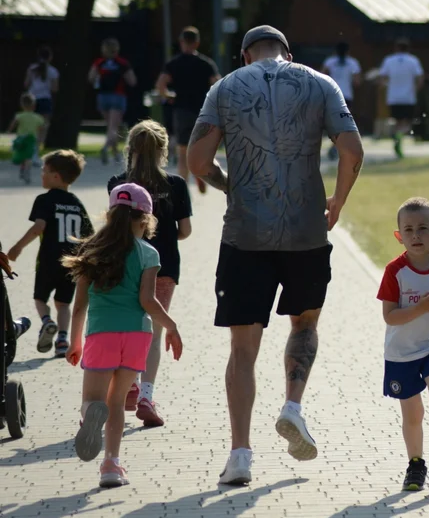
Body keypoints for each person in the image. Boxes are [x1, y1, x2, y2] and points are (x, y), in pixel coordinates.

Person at [186, 25, 365, 486]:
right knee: (304, 324)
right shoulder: (321, 83)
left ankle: (241, 454)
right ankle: (292, 406)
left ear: (245, 55)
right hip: (306, 231)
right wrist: (338, 201)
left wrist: (231, 185)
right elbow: (353, 150)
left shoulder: (225, 87)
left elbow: (197, 161)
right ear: (289, 50)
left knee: (242, 347)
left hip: (245, 234)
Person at [64, 183, 183, 488]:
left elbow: (79, 308)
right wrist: (171, 326)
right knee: (117, 402)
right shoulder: (148, 253)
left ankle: (92, 414)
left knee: (93, 400)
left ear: (111, 214)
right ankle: (111, 466)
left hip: (101, 334)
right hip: (137, 336)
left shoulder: (92, 250)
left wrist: (74, 342)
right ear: (146, 220)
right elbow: (147, 301)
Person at [107, 120, 193, 428]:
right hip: (164, 266)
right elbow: (185, 230)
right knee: (154, 332)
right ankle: (146, 394)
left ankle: (126, 386)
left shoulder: (118, 184)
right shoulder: (176, 185)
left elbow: (114, 226)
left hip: (125, 264)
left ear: (129, 149)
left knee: (126, 327)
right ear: (163, 151)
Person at [378, 197, 429, 491]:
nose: (416, 235)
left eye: (423, 228)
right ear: (399, 236)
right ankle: (416, 465)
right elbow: (389, 316)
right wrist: (419, 310)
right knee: (413, 413)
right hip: (401, 353)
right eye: (409, 230)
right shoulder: (395, 271)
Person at [6, 150, 93, 359]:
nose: (41, 175)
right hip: (71, 262)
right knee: (63, 303)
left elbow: (38, 227)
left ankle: (47, 322)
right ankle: (62, 340)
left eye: (44, 171)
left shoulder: (44, 200)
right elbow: (89, 236)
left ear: (55, 176)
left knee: (39, 298)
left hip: (47, 261)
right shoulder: (76, 203)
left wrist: (17, 247)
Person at [156, 27, 221, 194]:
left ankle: (182, 189)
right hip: (203, 112)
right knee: (201, 148)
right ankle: (200, 174)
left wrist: (170, 95)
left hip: (181, 111)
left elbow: (160, 86)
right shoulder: (206, 64)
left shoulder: (173, 64)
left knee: (183, 150)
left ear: (181, 42)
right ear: (197, 43)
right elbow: (218, 85)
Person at [89, 38, 137, 165]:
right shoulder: (122, 63)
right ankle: (105, 147)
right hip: (118, 96)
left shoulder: (99, 62)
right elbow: (132, 81)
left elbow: (91, 78)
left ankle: (115, 153)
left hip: (102, 97)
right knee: (113, 127)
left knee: (110, 126)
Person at [378, 37, 425, 159]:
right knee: (407, 122)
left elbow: (382, 78)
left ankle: (397, 139)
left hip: (393, 97)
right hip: (408, 97)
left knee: (397, 121)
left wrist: (388, 86)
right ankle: (399, 137)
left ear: (396, 48)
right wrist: (415, 89)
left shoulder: (389, 60)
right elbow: (420, 78)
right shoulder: (413, 61)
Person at [321, 42, 362, 162]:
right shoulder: (353, 63)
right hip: (346, 96)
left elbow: (322, 76)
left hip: (331, 94)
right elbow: (357, 81)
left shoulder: (330, 62)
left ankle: (334, 145)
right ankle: (335, 146)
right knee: (343, 124)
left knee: (329, 122)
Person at [24, 46, 59, 144]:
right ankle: (38, 146)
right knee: (43, 126)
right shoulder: (53, 71)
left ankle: (29, 145)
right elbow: (55, 88)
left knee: (31, 124)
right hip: (45, 99)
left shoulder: (32, 69)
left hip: (32, 99)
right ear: (50, 57)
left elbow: (26, 84)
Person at [9, 93, 45, 184]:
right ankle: (27, 171)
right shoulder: (38, 117)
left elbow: (13, 124)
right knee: (28, 156)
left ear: (22, 104)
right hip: (31, 139)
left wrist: (9, 131)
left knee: (21, 155)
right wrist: (40, 140)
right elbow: (41, 129)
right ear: (34, 105)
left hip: (21, 139)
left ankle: (22, 168)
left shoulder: (19, 116)